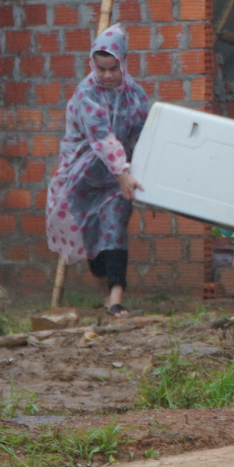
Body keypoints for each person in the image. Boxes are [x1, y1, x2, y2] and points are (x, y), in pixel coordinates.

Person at [46, 25, 149, 317]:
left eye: (112, 68)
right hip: (83, 177)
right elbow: (102, 137)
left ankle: (117, 298)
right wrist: (122, 170)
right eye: (100, 68)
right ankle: (105, 295)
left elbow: (141, 135)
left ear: (123, 62)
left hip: (118, 178)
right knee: (92, 237)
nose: (106, 75)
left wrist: (132, 173)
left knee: (114, 228)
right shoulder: (86, 94)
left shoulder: (135, 95)